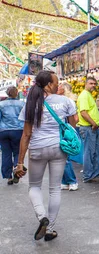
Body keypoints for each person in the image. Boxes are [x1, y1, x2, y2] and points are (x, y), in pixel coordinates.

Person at [14, 71, 78, 242]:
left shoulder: (31, 103)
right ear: (49, 85)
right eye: (56, 82)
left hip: (37, 149)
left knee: (34, 187)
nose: (58, 85)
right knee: (55, 188)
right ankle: (49, 229)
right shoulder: (66, 101)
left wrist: (20, 162)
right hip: (59, 148)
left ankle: (42, 216)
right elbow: (73, 124)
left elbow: (26, 135)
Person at [77, 77, 99, 183]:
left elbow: (92, 111)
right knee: (89, 152)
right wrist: (94, 123)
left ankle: (95, 174)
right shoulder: (84, 95)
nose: (93, 85)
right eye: (91, 83)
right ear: (86, 84)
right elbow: (83, 112)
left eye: (94, 83)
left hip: (92, 127)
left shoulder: (89, 95)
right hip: (88, 128)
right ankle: (88, 175)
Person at [0, 86, 25, 185]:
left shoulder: (1, 104)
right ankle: (16, 167)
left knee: (6, 153)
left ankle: (8, 177)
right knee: (17, 152)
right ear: (17, 93)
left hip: (3, 131)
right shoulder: (22, 104)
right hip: (18, 130)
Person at [57, 82, 78, 191]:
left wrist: (71, 132)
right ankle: (65, 181)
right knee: (61, 157)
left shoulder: (68, 101)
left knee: (65, 157)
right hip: (59, 131)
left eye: (59, 86)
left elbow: (74, 118)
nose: (57, 87)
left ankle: (72, 180)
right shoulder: (58, 101)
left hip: (65, 131)